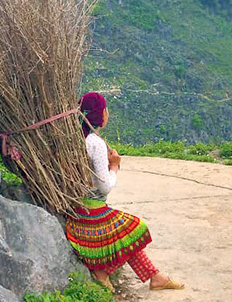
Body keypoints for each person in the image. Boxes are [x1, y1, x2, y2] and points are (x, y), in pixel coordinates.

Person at [65, 92, 185, 292]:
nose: (107, 113)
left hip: (76, 211)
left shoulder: (71, 138)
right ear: (100, 114)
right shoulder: (95, 143)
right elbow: (104, 186)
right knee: (135, 228)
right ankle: (104, 272)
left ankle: (156, 278)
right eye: (105, 109)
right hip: (90, 217)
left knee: (123, 232)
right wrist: (115, 167)